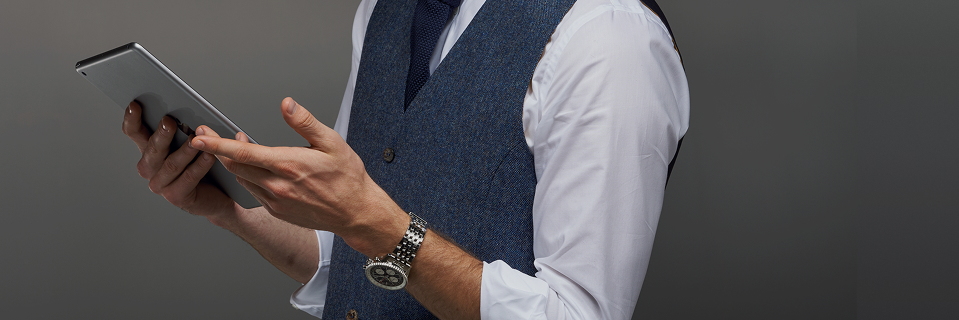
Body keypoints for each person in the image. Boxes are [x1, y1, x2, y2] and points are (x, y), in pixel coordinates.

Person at [119, 0, 687, 319]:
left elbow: (576, 316)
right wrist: (229, 209)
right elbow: (347, 251)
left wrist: (382, 229)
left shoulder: (609, 37)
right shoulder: (383, 10)